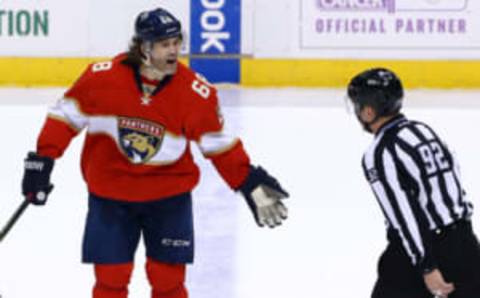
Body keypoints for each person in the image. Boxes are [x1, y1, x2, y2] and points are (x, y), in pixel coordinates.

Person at [20, 7, 289, 298]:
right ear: (143, 47)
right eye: (165, 44)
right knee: (110, 281)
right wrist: (42, 160)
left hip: (168, 201)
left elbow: (219, 145)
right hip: (111, 198)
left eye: (177, 43)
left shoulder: (194, 92)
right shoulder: (101, 79)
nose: (174, 51)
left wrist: (248, 180)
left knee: (168, 283)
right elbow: (64, 118)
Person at [346, 68, 480, 298]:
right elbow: (453, 177)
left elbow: (404, 214)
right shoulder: (422, 131)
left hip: (423, 251)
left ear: (368, 112)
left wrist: (427, 266)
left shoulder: (379, 153)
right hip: (465, 242)